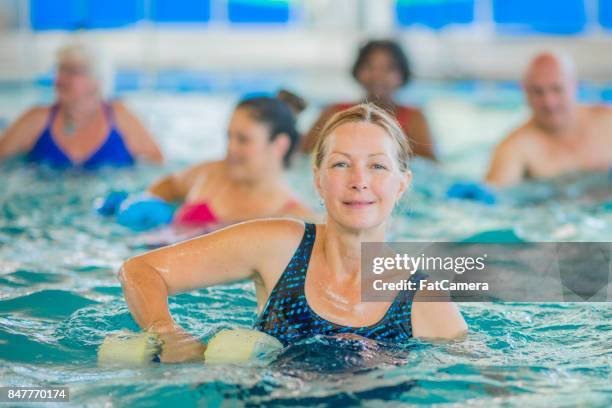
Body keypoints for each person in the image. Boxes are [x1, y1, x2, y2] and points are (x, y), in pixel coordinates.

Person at [119, 103, 467, 363]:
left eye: (377, 166)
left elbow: (483, 381)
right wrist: (166, 333)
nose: (359, 180)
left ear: (402, 184)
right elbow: (140, 271)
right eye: (341, 164)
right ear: (318, 179)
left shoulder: (422, 299)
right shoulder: (281, 246)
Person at [124, 91, 314, 232]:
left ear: (279, 145)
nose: (230, 148)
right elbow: (171, 184)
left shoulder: (295, 219)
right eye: (229, 137)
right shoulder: (211, 173)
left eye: (243, 139)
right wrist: (148, 202)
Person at [0, 43, 163, 168]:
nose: (60, 78)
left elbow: (158, 167)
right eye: (60, 70)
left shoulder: (121, 118)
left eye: (72, 71)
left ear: (97, 80)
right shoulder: (36, 119)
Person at [485, 52, 612, 187]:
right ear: (525, 91)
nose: (549, 102)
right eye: (537, 91)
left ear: (575, 86)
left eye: (556, 89)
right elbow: (494, 195)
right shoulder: (514, 147)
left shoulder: (607, 122)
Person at [301, 40, 436, 160]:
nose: (377, 75)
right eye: (369, 66)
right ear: (357, 71)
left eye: (389, 68)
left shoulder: (414, 119)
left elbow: (431, 165)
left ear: (402, 75)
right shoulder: (335, 113)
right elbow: (303, 153)